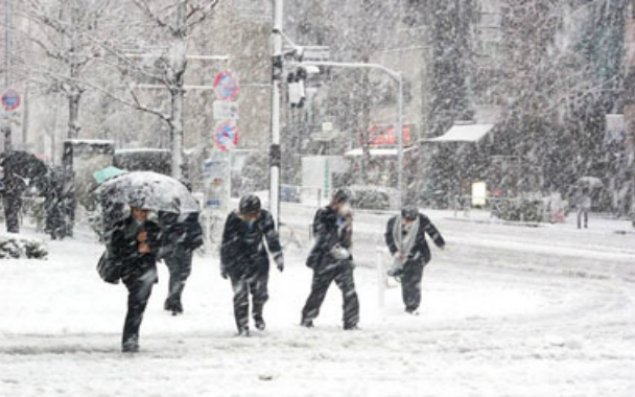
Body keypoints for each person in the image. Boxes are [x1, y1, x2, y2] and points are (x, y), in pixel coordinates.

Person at [220, 195, 284, 336]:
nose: (249, 217)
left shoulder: (265, 217)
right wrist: (224, 264)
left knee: (260, 293)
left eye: (252, 214)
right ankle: (243, 326)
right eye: (246, 214)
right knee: (240, 295)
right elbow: (226, 242)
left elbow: (271, 238)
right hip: (237, 260)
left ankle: (257, 313)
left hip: (258, 259)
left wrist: (278, 256)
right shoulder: (233, 218)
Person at [301, 189, 360, 330]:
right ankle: (307, 318)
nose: (348, 207)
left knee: (349, 291)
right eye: (345, 203)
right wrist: (334, 247)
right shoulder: (324, 214)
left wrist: (346, 251)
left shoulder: (346, 217)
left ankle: (351, 321)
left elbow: (346, 239)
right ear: (337, 202)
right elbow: (321, 235)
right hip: (324, 260)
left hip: (342, 261)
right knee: (318, 291)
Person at [107, 201, 161, 352]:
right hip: (130, 270)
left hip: (147, 270)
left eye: (145, 210)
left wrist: (150, 246)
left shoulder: (153, 227)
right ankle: (130, 338)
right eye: (139, 210)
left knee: (139, 305)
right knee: (135, 303)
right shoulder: (121, 226)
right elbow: (116, 248)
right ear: (132, 210)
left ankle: (131, 336)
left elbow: (162, 247)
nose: (142, 213)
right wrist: (135, 243)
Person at [384, 207, 445, 315]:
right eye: (406, 219)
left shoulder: (422, 220)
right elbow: (389, 237)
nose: (409, 222)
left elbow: (432, 231)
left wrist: (440, 242)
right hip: (402, 256)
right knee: (406, 281)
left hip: (419, 253)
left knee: (415, 280)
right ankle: (408, 303)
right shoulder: (393, 222)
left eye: (411, 220)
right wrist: (395, 251)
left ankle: (413, 306)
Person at [159, 211, 203, 315]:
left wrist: (193, 238)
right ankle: (175, 300)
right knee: (176, 272)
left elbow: (195, 227)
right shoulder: (168, 209)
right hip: (172, 247)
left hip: (185, 246)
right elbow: (163, 227)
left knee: (183, 273)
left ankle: (172, 297)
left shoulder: (192, 211)